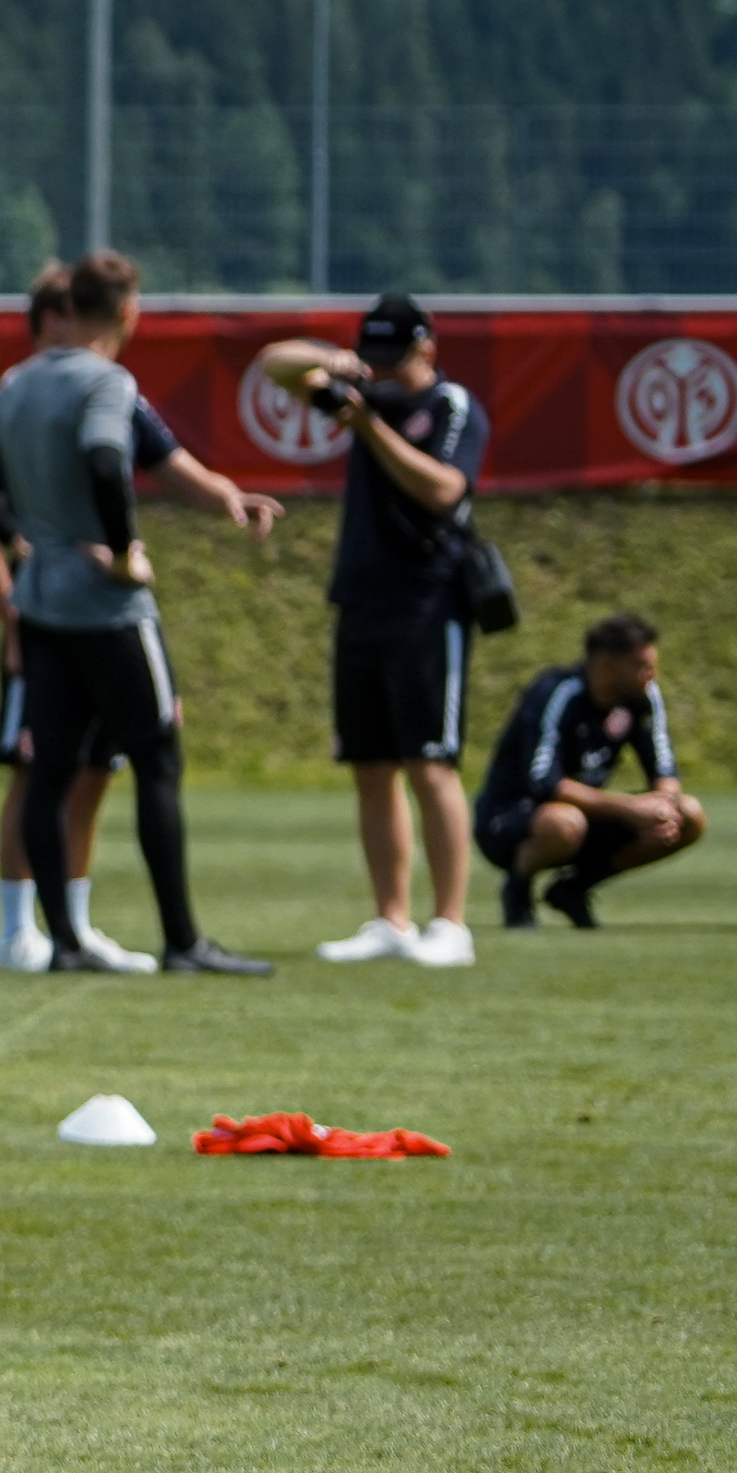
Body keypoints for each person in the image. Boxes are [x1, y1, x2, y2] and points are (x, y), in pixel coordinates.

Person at [0, 250, 275, 977]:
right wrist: (125, 551)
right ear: (129, 313)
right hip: (107, 606)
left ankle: (63, 942)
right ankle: (183, 940)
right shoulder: (107, 381)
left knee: (51, 770)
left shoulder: (18, 383)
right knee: (156, 757)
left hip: (40, 603)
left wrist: (15, 539)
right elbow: (104, 461)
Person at [251, 294, 486, 968]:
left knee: (430, 763)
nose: (382, 372)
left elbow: (445, 490)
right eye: (375, 357)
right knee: (372, 767)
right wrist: (339, 363)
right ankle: (391, 919)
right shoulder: (365, 386)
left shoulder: (449, 408)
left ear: (427, 350)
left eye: (394, 358)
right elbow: (273, 364)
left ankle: (450, 924)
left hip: (428, 600)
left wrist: (367, 426)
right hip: (362, 598)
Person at [477, 614, 706, 931]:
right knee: (564, 822)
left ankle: (573, 888)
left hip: (588, 815)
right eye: (640, 666)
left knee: (689, 815)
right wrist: (629, 808)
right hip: (513, 818)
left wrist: (664, 808)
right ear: (607, 666)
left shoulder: (642, 697)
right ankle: (518, 889)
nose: (650, 674)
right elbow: (543, 782)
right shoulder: (558, 693)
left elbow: (664, 768)